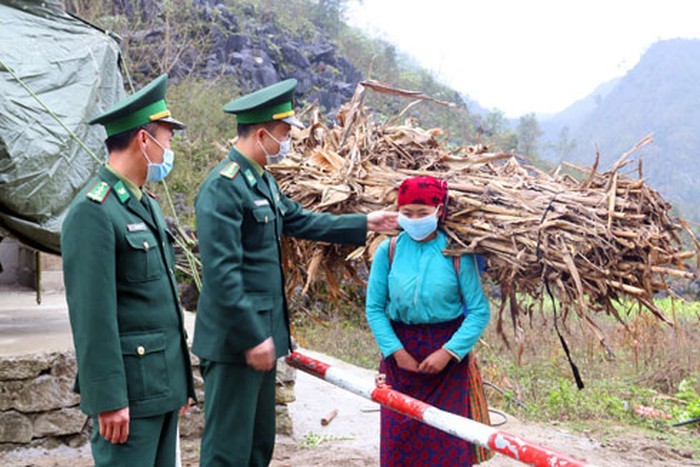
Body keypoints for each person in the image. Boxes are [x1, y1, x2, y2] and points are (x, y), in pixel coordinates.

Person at [193, 78, 398, 466]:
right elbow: (224, 274)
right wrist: (255, 337)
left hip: (261, 340)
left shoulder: (262, 180)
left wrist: (366, 222)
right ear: (261, 133)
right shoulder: (223, 188)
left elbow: (302, 221)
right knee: (227, 452)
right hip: (237, 344)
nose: (286, 142)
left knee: (257, 447)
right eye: (284, 134)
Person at [62, 74, 196, 466]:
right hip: (128, 398)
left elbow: (160, 303)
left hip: (160, 386)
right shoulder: (94, 212)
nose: (169, 149)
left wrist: (179, 383)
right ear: (143, 139)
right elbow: (92, 316)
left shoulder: (145, 204)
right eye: (166, 138)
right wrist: (108, 399)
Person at [365, 175, 492, 466]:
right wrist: (396, 353)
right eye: (407, 213)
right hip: (400, 356)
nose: (414, 220)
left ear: (439, 211)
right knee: (399, 441)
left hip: (447, 360)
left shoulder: (457, 254)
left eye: (422, 214)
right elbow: (374, 308)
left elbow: (478, 311)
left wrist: (447, 353)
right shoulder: (390, 250)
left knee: (446, 441)